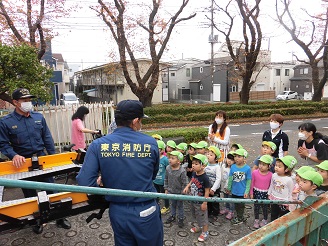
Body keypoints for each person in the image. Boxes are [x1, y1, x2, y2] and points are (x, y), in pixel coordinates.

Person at [76, 100, 163, 246]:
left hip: (117, 211)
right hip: (145, 209)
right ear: (135, 121)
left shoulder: (98, 145)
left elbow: (84, 181)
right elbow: (152, 175)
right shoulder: (150, 143)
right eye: (141, 120)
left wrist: (103, 187)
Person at [0, 88, 71, 233]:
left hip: (42, 159)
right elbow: (3, 144)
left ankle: (59, 218)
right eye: (24, 100)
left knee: (52, 190)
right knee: (30, 195)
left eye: (29, 100)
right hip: (22, 163)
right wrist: (13, 155)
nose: (28, 103)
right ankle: (36, 221)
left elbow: (47, 139)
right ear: (15, 102)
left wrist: (54, 158)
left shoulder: (38, 117)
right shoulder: (6, 122)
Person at [183, 154, 210, 242]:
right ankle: (199, 227)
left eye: (196, 164)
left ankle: (205, 232)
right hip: (193, 199)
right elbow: (192, 180)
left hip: (200, 202)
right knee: (196, 215)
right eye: (193, 163)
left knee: (203, 217)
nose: (193, 165)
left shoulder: (205, 178)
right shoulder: (194, 173)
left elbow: (207, 191)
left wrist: (205, 203)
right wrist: (187, 186)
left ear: (203, 166)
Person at [227, 148, 252, 225]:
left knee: (241, 206)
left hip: (242, 192)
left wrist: (247, 191)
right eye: (235, 156)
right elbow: (230, 178)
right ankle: (239, 216)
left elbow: (248, 180)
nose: (236, 158)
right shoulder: (233, 167)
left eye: (239, 156)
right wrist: (229, 188)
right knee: (236, 205)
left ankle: (240, 218)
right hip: (234, 190)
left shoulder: (247, 168)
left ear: (244, 158)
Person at [164, 150, 188, 228]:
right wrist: (166, 188)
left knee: (180, 206)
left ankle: (180, 218)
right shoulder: (168, 168)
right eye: (169, 158)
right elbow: (166, 179)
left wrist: (182, 194)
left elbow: (185, 183)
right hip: (171, 191)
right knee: (172, 204)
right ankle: (172, 215)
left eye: (173, 158)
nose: (170, 160)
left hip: (179, 193)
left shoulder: (182, 171)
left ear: (178, 161)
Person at [268, 155, 297, 221]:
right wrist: (269, 193)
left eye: (279, 166)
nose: (276, 168)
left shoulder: (289, 180)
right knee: (273, 214)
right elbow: (272, 184)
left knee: (283, 218)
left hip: (284, 201)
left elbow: (290, 191)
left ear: (286, 169)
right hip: (274, 198)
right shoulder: (274, 175)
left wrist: (289, 203)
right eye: (276, 165)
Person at [250, 155, 273, 228]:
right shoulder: (254, 173)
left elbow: (271, 185)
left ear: (269, 166)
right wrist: (251, 193)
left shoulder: (271, 175)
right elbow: (252, 183)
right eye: (260, 163)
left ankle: (265, 219)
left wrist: (270, 194)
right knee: (256, 207)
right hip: (256, 192)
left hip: (265, 193)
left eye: (264, 164)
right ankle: (256, 219)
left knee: (265, 207)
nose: (261, 166)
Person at [204, 145, 221, 220]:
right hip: (208, 187)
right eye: (207, 154)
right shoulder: (206, 165)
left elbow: (218, 179)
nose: (208, 156)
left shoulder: (217, 167)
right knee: (208, 200)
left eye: (211, 155)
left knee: (215, 201)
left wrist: (213, 189)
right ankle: (209, 212)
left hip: (215, 188)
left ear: (215, 157)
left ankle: (215, 213)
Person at [153, 140, 170, 215]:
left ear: (162, 150)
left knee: (164, 194)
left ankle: (167, 206)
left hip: (162, 181)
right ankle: (156, 204)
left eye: (158, 149)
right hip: (155, 180)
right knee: (156, 193)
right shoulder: (154, 157)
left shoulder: (165, 159)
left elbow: (168, 169)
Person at [219, 151, 235, 220]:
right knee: (225, 197)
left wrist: (229, 187)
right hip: (223, 186)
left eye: (232, 160)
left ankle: (231, 211)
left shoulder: (234, 168)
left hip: (230, 188)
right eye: (228, 159)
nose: (229, 161)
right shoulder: (223, 166)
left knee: (230, 199)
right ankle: (226, 208)